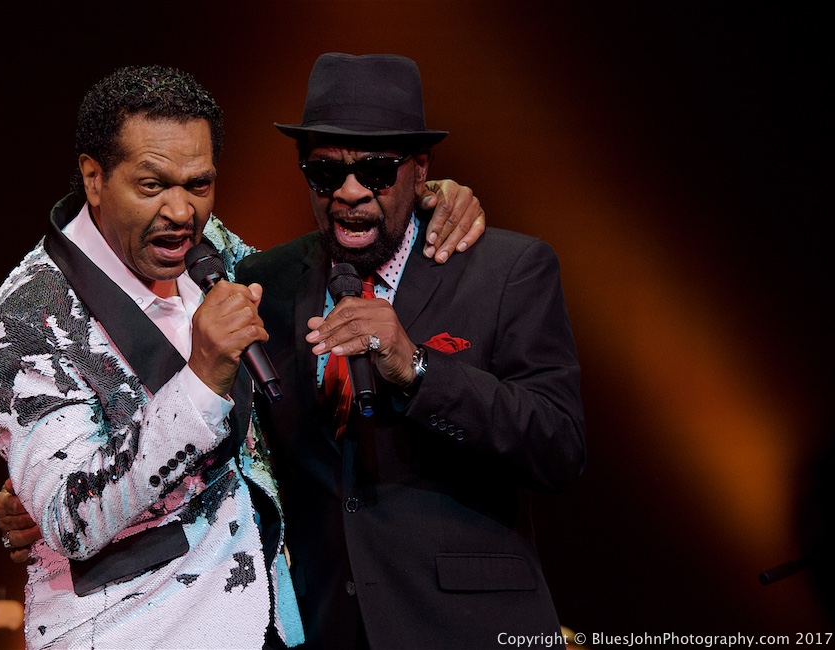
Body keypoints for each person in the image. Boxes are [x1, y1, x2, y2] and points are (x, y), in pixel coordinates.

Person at [0, 64, 484, 649]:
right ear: (94, 178)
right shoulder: (19, 324)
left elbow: (316, 269)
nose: (182, 211)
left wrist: (424, 198)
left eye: (198, 184)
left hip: (272, 615)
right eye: (152, 185)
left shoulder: (211, 251)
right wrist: (203, 378)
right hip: (137, 632)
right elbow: (70, 518)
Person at [234, 53, 586, 649]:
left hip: (473, 629)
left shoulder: (506, 271)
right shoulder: (267, 281)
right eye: (324, 173)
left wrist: (418, 370)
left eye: (375, 170)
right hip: (332, 629)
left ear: (420, 171)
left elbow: (560, 446)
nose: (349, 192)